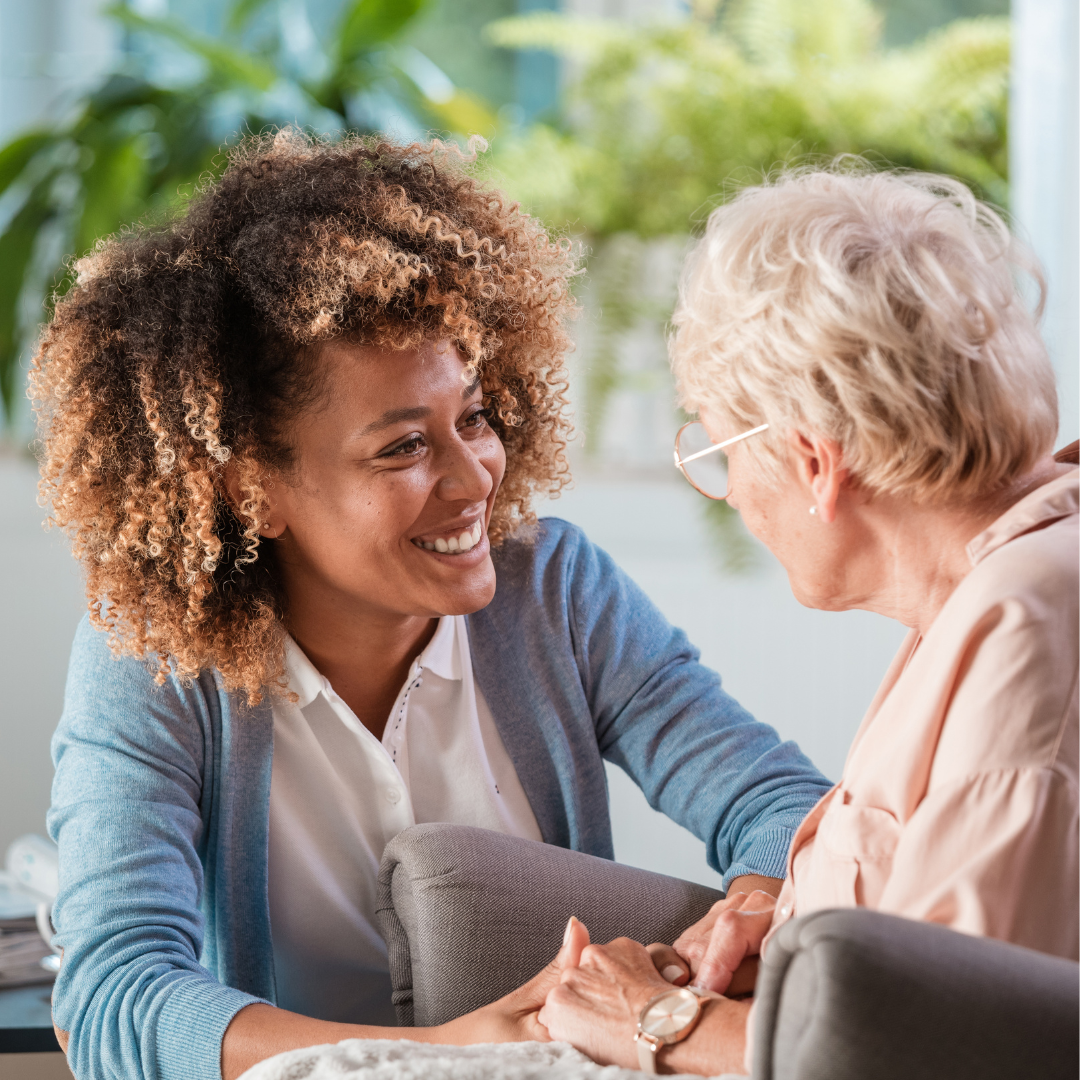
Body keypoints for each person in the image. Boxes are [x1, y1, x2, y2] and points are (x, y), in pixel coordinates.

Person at [35, 131, 831, 1080]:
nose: (474, 479)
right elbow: (112, 997)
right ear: (253, 490)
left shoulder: (556, 590)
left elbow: (784, 806)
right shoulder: (153, 655)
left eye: (476, 418)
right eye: (403, 448)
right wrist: (435, 1058)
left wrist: (752, 904)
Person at [536, 165, 1079, 1075]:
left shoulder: (1023, 627)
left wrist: (660, 1020)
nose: (734, 495)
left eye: (718, 449)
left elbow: (949, 1048)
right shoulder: (987, 590)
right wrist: (790, 928)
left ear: (815, 461)